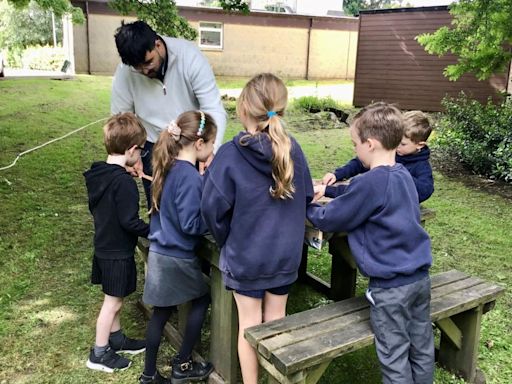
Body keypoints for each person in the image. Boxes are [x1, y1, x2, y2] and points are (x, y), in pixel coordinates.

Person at [309, 102, 434, 384]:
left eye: (355, 144)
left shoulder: (371, 182)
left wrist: (306, 206)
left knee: (394, 354)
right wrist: (328, 189)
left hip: (390, 289)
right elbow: (353, 192)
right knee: (421, 347)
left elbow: (330, 218)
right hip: (419, 280)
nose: (355, 150)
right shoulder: (403, 176)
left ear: (370, 144)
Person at [201, 73, 314, 384]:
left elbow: (211, 208)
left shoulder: (229, 154)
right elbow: (305, 197)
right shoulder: (295, 150)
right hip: (284, 256)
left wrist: (228, 240)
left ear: (243, 108)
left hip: (246, 257)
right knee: (277, 322)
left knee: (249, 326)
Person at [111, 20, 227, 207]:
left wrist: (211, 150)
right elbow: (121, 118)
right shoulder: (125, 71)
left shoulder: (189, 57)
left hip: (191, 143)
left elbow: (213, 108)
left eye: (148, 62)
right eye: (138, 68)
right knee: (157, 205)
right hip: (152, 146)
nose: (145, 70)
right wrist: (127, 154)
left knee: (194, 204)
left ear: (157, 44)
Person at [139, 111, 216, 384]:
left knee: (161, 313)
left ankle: (148, 375)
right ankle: (182, 365)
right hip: (177, 257)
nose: (213, 148)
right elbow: (190, 225)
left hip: (160, 252)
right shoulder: (190, 176)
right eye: (212, 143)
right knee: (203, 297)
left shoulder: (167, 167)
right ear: (199, 143)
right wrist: (211, 217)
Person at [84, 112, 150, 372]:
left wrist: (124, 176)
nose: (141, 157)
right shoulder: (122, 183)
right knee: (112, 303)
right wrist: (154, 230)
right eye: (141, 152)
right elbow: (130, 222)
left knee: (115, 297)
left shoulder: (100, 174)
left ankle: (117, 338)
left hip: (104, 247)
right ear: (132, 150)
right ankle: (99, 353)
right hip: (117, 251)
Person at [321, 110, 434, 202]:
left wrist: (398, 173)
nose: (397, 146)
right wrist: (337, 174)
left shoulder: (421, 167)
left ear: (420, 145)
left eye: (403, 144)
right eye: (396, 140)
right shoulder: (390, 151)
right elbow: (360, 163)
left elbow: (425, 191)